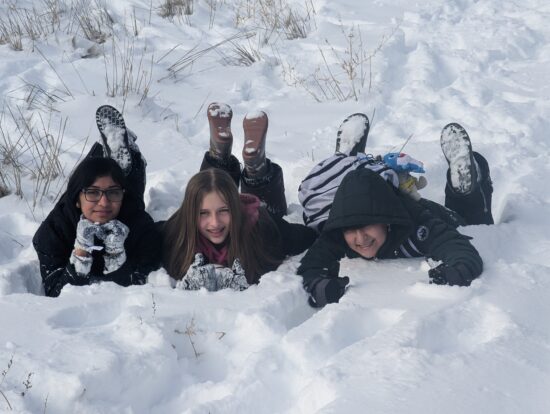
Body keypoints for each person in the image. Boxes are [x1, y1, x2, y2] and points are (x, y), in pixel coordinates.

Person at [297, 120, 494, 307]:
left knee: (470, 220)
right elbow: (312, 265)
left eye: (367, 225)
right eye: (351, 229)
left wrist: (456, 272)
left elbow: (455, 246)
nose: (360, 238)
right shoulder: (340, 234)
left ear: (384, 220)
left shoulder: (417, 225)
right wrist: (321, 287)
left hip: (438, 214)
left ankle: (465, 187)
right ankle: (347, 162)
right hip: (370, 198)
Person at [161, 103, 317, 290]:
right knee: (211, 187)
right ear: (190, 213)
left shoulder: (261, 230)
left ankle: (231, 161)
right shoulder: (177, 231)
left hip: (260, 217)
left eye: (224, 211)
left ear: (235, 208)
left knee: (270, 206)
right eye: (203, 214)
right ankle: (250, 167)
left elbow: (304, 236)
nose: (215, 223)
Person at [33, 105, 161, 297]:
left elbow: (139, 287)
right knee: (100, 176)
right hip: (75, 210)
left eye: (113, 194)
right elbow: (55, 292)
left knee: (128, 185)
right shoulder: (55, 230)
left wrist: (116, 256)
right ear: (77, 199)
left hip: (128, 203)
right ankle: (111, 154)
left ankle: (128, 158)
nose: (103, 203)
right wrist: (81, 254)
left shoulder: (140, 225)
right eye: (93, 194)